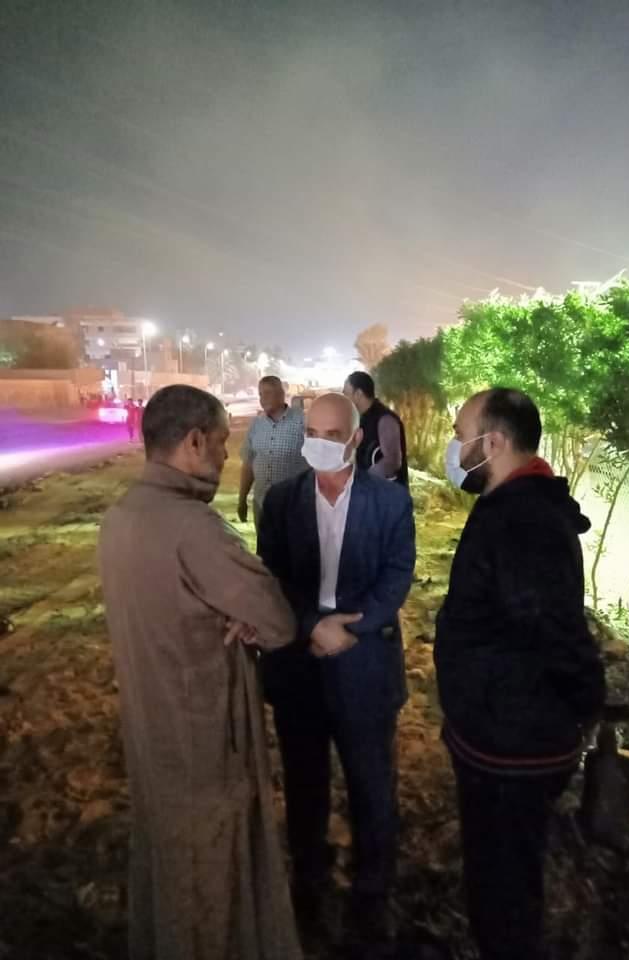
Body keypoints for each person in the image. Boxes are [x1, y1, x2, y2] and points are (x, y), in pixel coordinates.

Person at [98, 385, 302, 960]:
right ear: (192, 442)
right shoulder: (195, 529)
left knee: (165, 858)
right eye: (218, 442)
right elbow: (277, 620)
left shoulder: (121, 517)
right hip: (204, 733)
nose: (226, 455)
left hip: (150, 727)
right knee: (211, 872)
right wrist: (247, 620)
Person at [433, 387, 606, 960]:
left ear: (495, 442)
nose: (455, 447)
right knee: (499, 871)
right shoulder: (514, 505)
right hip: (499, 726)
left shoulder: (522, 522)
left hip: (513, 743)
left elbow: (555, 630)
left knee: (503, 886)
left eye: (461, 435)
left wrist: (587, 702)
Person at [257, 392, 415, 945]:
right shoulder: (281, 501)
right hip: (300, 665)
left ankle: (373, 895)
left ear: (356, 439)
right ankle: (310, 885)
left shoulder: (390, 503)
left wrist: (353, 627)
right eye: (312, 434)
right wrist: (311, 626)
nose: (320, 444)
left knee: (372, 787)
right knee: (305, 786)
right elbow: (271, 579)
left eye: (333, 435)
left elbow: (397, 576)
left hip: (363, 663)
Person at [238, 375, 306, 527]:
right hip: (261, 505)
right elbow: (248, 464)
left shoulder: (302, 422)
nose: (263, 399)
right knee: (263, 543)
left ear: (281, 394)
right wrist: (242, 499)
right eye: (260, 394)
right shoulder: (256, 424)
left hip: (294, 506)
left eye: (268, 393)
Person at [343, 371, 409, 485]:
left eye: (346, 393)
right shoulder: (361, 418)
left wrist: (365, 480)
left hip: (388, 493)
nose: (344, 398)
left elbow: (392, 461)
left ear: (358, 394)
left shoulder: (385, 419)